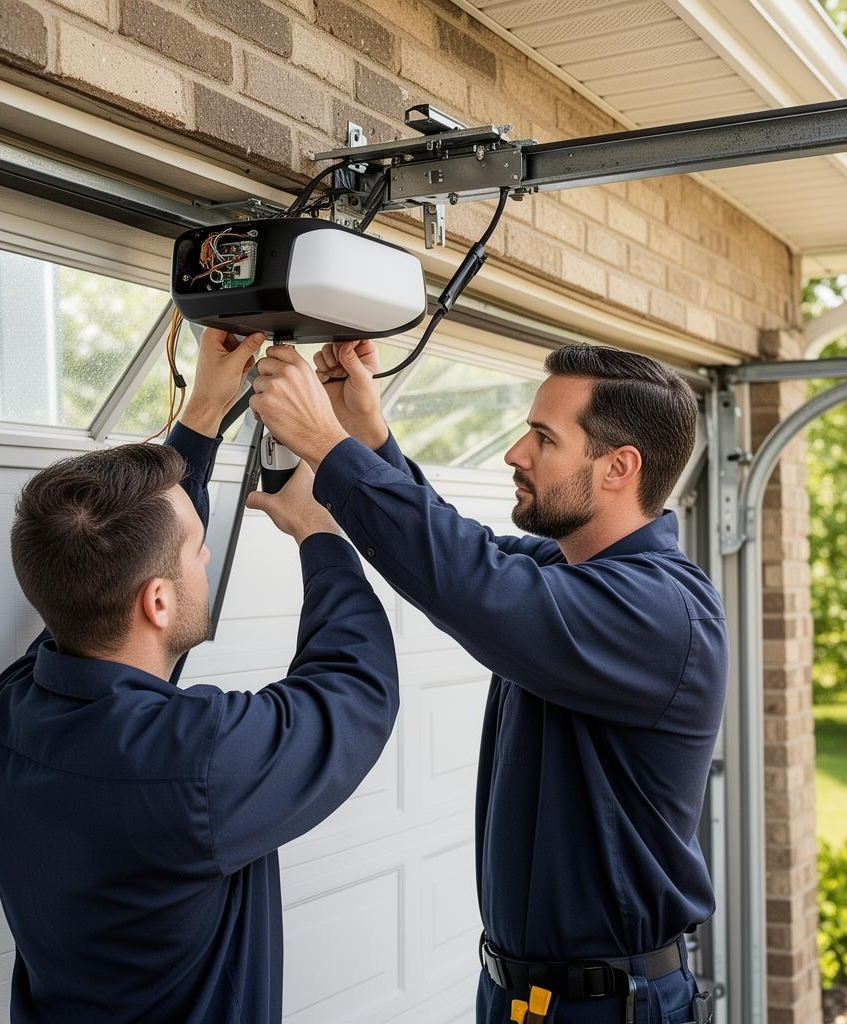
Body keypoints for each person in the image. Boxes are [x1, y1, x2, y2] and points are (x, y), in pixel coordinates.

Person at [248, 339, 725, 1024]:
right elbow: (459, 547)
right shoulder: (575, 577)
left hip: (608, 1007)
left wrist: (327, 445)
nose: (514, 454)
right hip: (524, 997)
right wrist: (366, 432)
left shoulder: (659, 614)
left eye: (542, 438)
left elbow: (470, 583)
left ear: (620, 467)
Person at [0, 328, 399, 1024]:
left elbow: (111, 575)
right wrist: (322, 533)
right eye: (198, 549)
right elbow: (355, 691)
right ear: (157, 602)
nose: (206, 556)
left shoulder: (6, 715)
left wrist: (203, 413)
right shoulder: (195, 763)